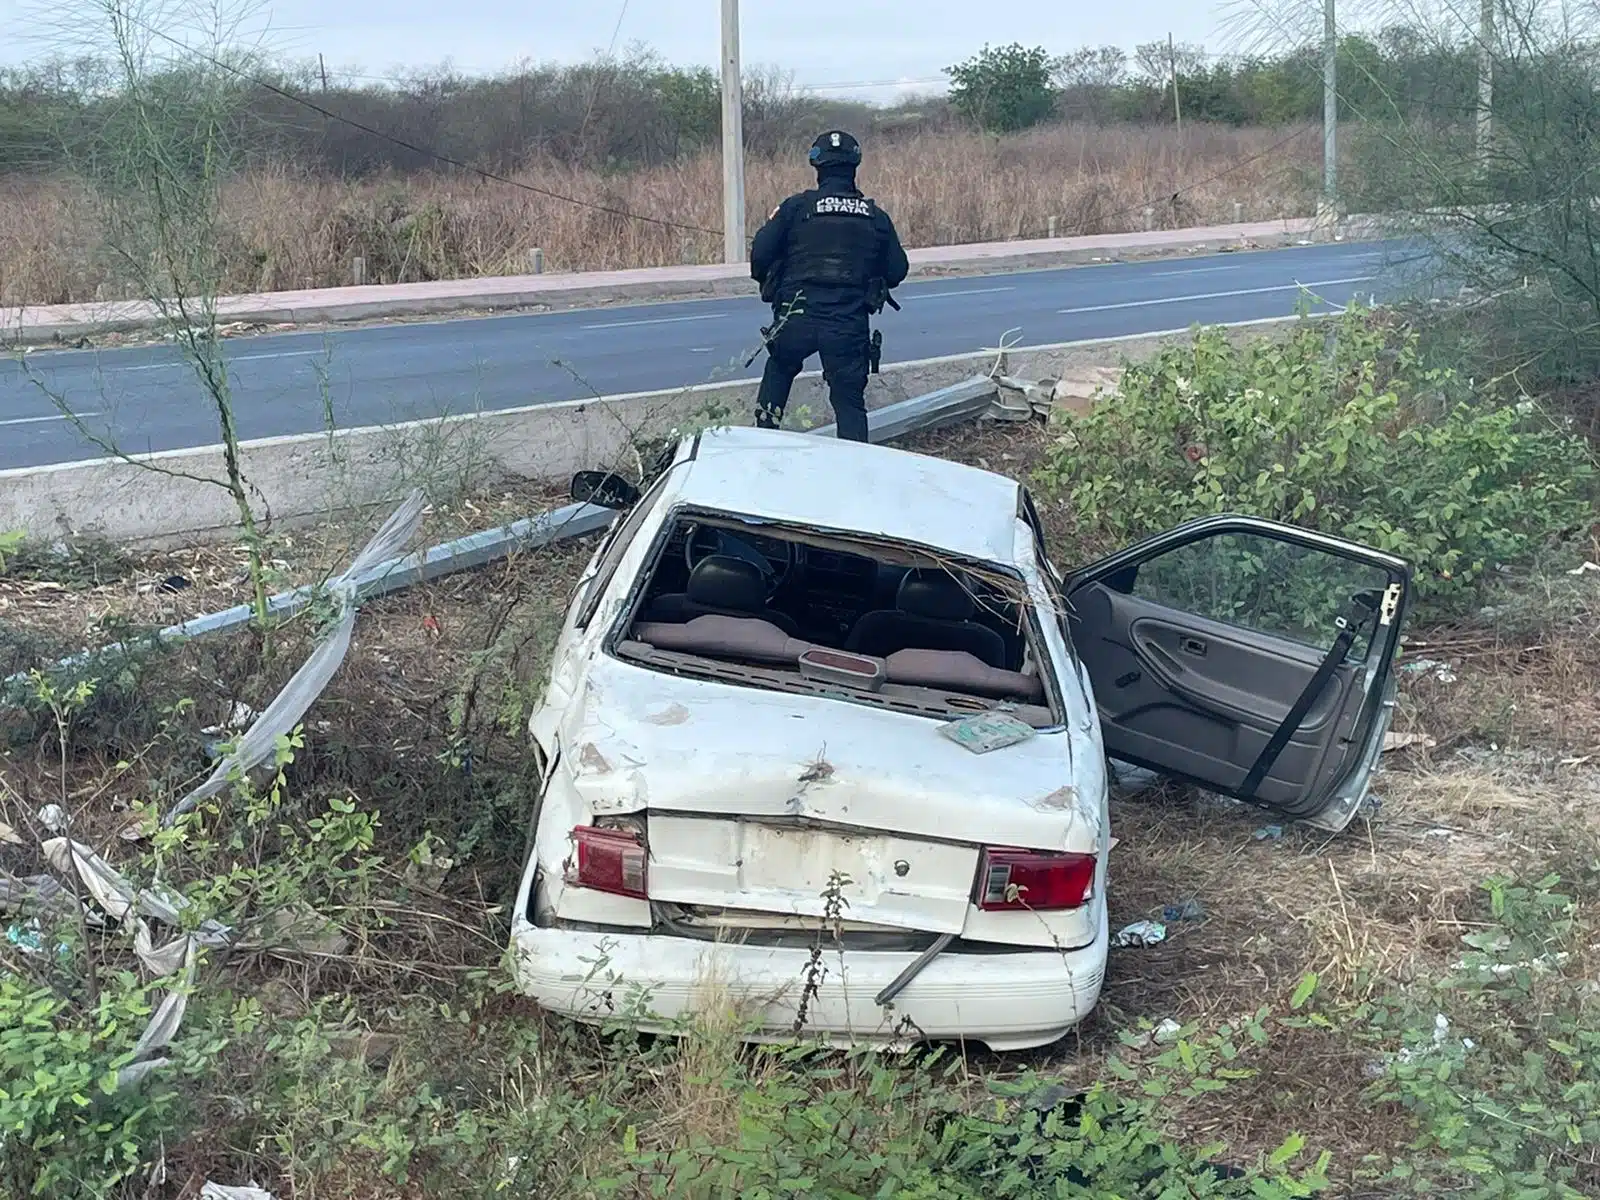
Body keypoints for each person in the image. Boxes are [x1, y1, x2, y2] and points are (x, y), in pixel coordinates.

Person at [749, 130, 909, 442]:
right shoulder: (875, 217)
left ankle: (762, 448)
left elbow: (760, 256)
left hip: (795, 316)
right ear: (855, 166)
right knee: (849, 404)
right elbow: (897, 271)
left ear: (817, 166)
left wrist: (772, 283)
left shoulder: (795, 209)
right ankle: (854, 473)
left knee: (780, 370)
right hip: (847, 325)